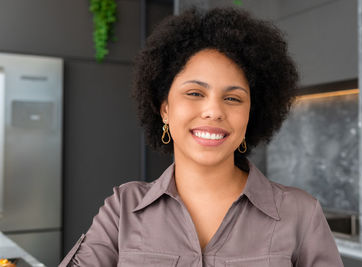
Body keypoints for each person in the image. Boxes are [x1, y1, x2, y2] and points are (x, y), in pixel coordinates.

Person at [59, 6, 344, 267]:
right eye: (195, 93)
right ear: (166, 110)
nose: (214, 111)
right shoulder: (124, 208)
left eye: (233, 98)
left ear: (250, 116)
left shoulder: (300, 214)